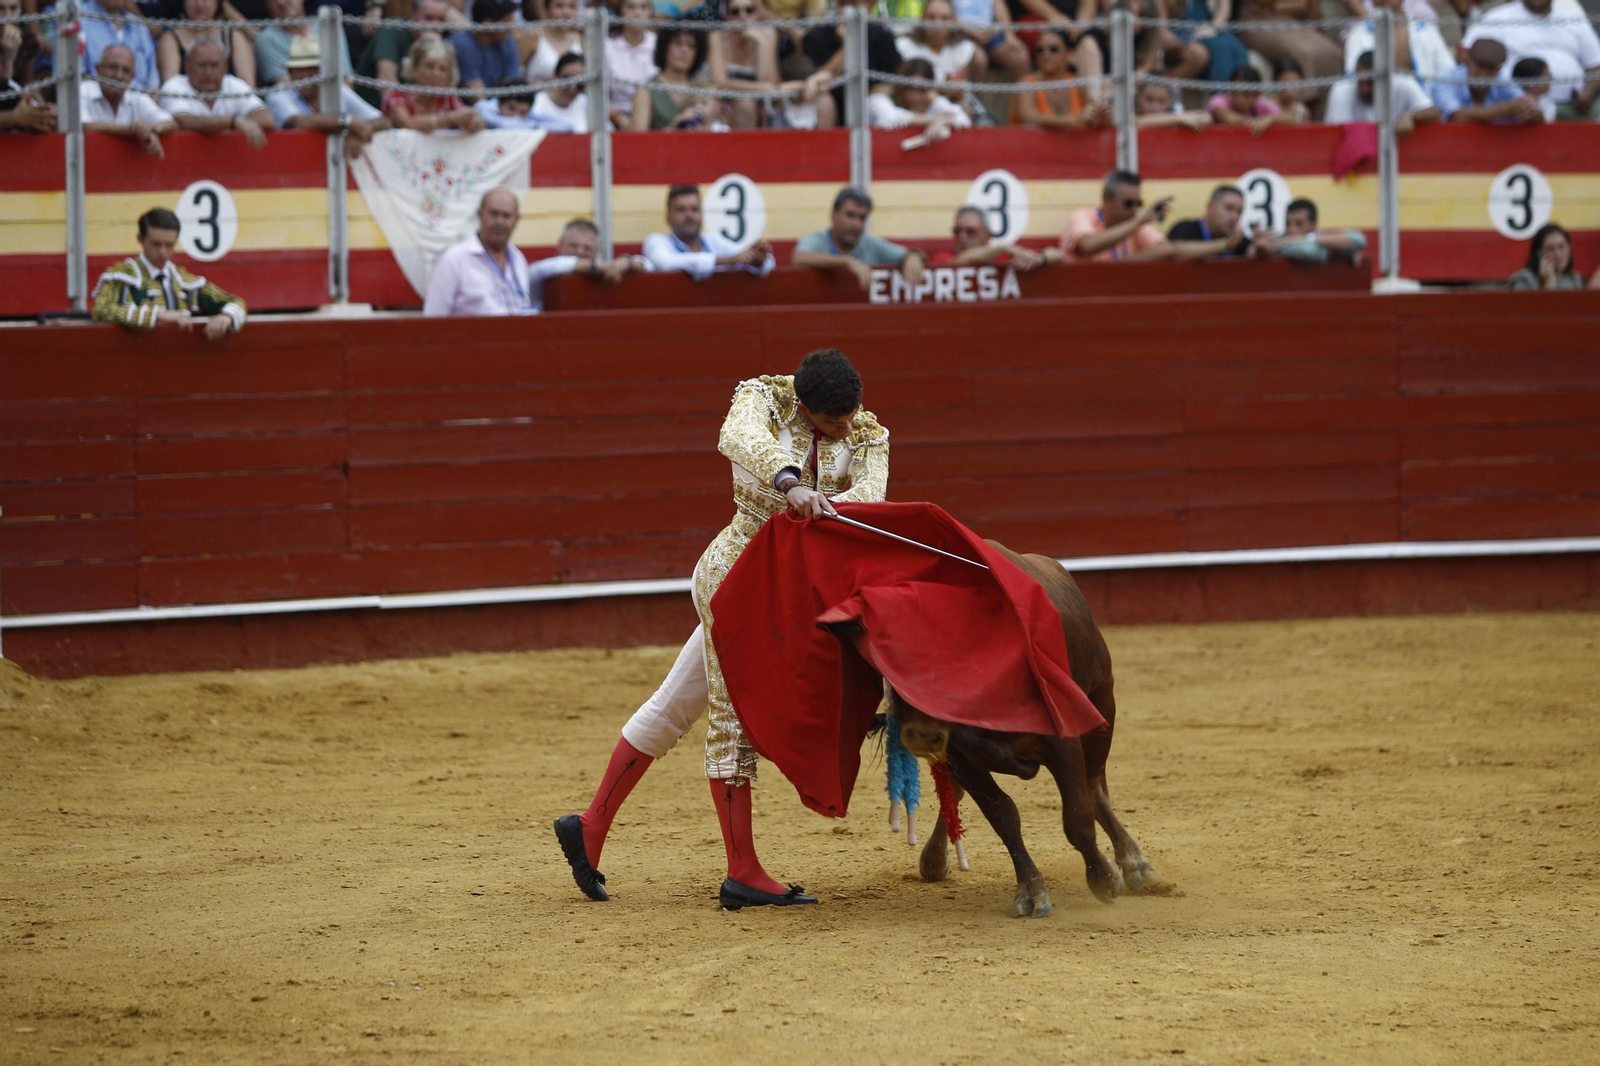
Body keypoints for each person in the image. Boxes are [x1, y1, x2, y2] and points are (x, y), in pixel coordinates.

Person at [554, 347, 890, 910]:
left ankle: (590, 825)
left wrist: (831, 506)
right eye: (835, 420)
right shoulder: (762, 399)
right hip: (735, 578)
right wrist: (790, 483)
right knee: (732, 718)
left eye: (852, 413)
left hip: (797, 591)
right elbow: (739, 439)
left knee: (674, 706)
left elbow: (871, 493)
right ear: (807, 408)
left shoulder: (867, 431)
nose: (848, 427)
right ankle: (742, 871)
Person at [91, 206, 247, 337]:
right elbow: (101, 310)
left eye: (169, 245)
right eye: (156, 244)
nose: (163, 252)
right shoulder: (122, 277)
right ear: (140, 239)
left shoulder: (184, 281)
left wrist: (226, 317)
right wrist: (158, 315)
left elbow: (236, 302)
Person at [1463, 0, 1600, 121]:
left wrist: (1587, 94)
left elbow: (1596, 66)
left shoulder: (1573, 21)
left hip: (1571, 107)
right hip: (1514, 108)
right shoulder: (1497, 18)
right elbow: (1466, 55)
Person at [708, 0, 833, 129]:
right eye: (735, 12)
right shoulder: (717, 36)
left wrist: (763, 44)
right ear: (727, 16)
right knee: (746, 104)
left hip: (764, 103)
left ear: (757, 14)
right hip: (727, 101)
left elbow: (771, 85)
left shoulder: (767, 34)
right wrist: (759, 88)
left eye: (749, 10)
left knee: (824, 102)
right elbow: (721, 82)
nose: (743, 16)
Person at [265, 36, 387, 157]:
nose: (306, 75)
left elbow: (384, 121)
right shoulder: (279, 94)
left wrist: (358, 132)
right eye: (300, 69)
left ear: (323, 71)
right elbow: (298, 122)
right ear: (290, 72)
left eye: (312, 68)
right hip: (291, 160)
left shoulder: (338, 91)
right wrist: (346, 122)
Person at [423, 187, 533, 316]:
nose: (499, 222)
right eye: (493, 214)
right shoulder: (454, 260)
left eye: (506, 216)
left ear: (516, 220)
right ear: (480, 215)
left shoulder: (518, 259)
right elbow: (433, 318)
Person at [793, 186, 928, 291]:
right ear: (834, 215)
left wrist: (913, 258)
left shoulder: (869, 243)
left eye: (862, 218)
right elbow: (799, 258)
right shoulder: (818, 240)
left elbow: (910, 253)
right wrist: (847, 261)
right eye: (850, 215)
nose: (856, 224)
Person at [642, 184, 776, 279]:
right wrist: (729, 260)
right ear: (668, 218)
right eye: (681, 210)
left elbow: (768, 263)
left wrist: (756, 259)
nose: (689, 215)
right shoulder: (657, 241)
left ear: (701, 214)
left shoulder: (714, 241)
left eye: (694, 209)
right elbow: (666, 263)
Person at [162, 36, 275, 148]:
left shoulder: (234, 84)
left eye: (215, 65)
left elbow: (267, 119)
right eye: (201, 65)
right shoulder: (174, 86)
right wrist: (234, 122)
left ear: (225, 65)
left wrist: (238, 122)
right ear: (187, 65)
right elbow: (184, 121)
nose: (208, 72)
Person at [527, 217, 645, 311]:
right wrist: (592, 266)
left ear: (597, 251)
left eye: (587, 248)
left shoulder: (605, 269)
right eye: (573, 245)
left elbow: (647, 263)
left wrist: (625, 263)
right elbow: (538, 270)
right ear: (560, 244)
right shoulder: (544, 270)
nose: (580, 252)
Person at [81, 43, 177, 156]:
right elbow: (84, 125)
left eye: (126, 70)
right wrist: (134, 130)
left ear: (132, 76)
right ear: (98, 69)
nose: (119, 75)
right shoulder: (83, 90)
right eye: (113, 67)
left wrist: (152, 129)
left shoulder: (135, 94)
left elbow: (170, 123)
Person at [1060, 169, 1172, 263]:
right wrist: (1139, 221)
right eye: (1128, 203)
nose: (1134, 209)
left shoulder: (1133, 223)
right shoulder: (1081, 215)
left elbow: (1166, 249)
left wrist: (1121, 264)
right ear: (1107, 199)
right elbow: (1088, 245)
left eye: (1138, 204)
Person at [354, 0, 450, 108]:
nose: (436, 26)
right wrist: (403, 115)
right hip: (373, 108)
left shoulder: (444, 38)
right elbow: (387, 83)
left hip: (421, 111)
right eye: (429, 18)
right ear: (412, 12)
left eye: (441, 19)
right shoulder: (392, 29)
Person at [1234, 0, 1342, 93]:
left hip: (1284, 19)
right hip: (1255, 22)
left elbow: (1302, 5)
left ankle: (1327, 106)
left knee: (1332, 52)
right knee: (1305, 54)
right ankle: (1304, 103)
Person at [382, 38, 485, 131]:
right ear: (415, 68)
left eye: (443, 69)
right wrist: (450, 118)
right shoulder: (398, 94)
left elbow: (478, 123)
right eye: (430, 66)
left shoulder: (448, 97)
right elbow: (407, 123)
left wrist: (474, 123)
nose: (436, 74)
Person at [1324, 50, 1441, 132]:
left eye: (1371, 83)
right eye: (1361, 82)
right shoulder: (1342, 89)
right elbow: (1336, 133)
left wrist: (1411, 117)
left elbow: (1434, 113)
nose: (1365, 89)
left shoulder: (1403, 82)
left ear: (1386, 79)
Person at [631, 26, 722, 131]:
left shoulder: (704, 85)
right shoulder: (645, 90)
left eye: (691, 46)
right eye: (678, 44)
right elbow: (638, 138)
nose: (684, 50)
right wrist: (674, 128)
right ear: (664, 47)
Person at [1342, 0, 1454, 85]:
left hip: (1426, 105)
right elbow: (1352, 81)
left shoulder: (1426, 31)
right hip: (1375, 106)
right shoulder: (1358, 36)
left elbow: (1449, 75)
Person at [1010, 27, 1098, 130]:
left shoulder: (1078, 84)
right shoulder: (1026, 83)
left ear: (1069, 53)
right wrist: (1075, 119)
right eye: (1040, 50)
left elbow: (1092, 114)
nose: (1046, 55)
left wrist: (1100, 115)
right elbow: (1029, 118)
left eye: (1053, 49)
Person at [1432, 39, 1538, 124]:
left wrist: (1530, 111)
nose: (1483, 74)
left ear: (1498, 70)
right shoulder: (1446, 80)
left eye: (1490, 69)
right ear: (1468, 61)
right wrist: (1508, 109)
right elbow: (1456, 116)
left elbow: (1532, 111)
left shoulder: (1502, 81)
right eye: (1479, 66)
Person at [159, 0, 256, 88]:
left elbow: (248, 86)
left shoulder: (234, 36)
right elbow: (170, 86)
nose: (199, 4)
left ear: (218, 2)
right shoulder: (170, 38)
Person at [1153, 0, 1250, 84]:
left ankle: (1244, 92)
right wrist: (1164, 32)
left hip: (1207, 29)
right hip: (1180, 33)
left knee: (1236, 47)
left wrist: (1212, 28)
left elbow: (1224, 10)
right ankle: (1221, 96)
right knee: (1219, 47)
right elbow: (1162, 25)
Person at [940, 204, 1062, 270]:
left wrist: (1039, 259)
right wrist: (1003, 248)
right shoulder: (943, 257)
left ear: (988, 234)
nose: (962, 237)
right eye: (957, 231)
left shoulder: (1002, 257)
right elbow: (960, 261)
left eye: (970, 231)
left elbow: (1057, 254)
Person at [1252, 198, 1367, 265]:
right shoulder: (1281, 241)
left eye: (1299, 224)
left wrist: (1307, 238)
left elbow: (1359, 239)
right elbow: (1308, 252)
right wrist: (1337, 249)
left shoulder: (1316, 237)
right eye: (1287, 223)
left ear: (1314, 225)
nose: (1291, 229)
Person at [869, 58, 972, 131]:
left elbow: (964, 121)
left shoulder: (932, 100)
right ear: (900, 86)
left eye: (922, 90)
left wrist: (936, 101)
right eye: (910, 88)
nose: (915, 96)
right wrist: (934, 120)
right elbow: (888, 120)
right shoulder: (880, 98)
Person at [80, 0, 160, 90]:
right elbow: (77, 79)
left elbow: (153, 83)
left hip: (139, 95)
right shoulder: (80, 20)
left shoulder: (138, 26)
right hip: (95, 95)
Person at [603, 0, 656, 130]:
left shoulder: (659, 44)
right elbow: (597, 93)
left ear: (650, 12)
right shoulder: (606, 46)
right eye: (631, 7)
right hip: (614, 119)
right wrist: (618, 117)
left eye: (643, 7)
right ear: (621, 12)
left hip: (655, 117)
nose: (637, 13)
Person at [450, 0, 520, 96]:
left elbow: (512, 87)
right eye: (507, 22)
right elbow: (478, 97)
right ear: (488, 23)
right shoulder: (462, 44)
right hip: (468, 103)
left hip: (496, 102)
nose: (512, 27)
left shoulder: (507, 40)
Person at [1167, 184, 1250, 258]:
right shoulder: (1184, 229)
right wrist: (1223, 245)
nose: (1235, 217)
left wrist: (1257, 246)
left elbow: (1251, 250)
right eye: (1229, 208)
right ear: (1210, 206)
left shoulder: (1237, 240)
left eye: (1239, 212)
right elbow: (1174, 250)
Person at [1208, 65, 1294, 135]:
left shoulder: (1261, 103)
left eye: (1246, 94)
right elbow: (1228, 118)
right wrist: (1256, 122)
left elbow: (1291, 119)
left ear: (1257, 94)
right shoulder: (1219, 100)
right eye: (1235, 92)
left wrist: (1270, 119)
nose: (1239, 98)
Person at [1508, 223, 1585, 289]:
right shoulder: (1524, 279)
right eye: (1550, 249)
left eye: (1561, 247)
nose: (1558, 255)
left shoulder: (1574, 280)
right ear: (1538, 254)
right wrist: (1548, 284)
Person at [522, 0, 581, 81]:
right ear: (547, 9)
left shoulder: (579, 38)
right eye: (559, 6)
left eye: (572, 6)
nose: (566, 12)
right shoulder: (533, 36)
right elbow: (515, 75)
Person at [531, 53, 589, 130]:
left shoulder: (587, 104)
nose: (572, 89)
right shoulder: (536, 104)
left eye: (580, 84)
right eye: (567, 80)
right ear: (555, 77)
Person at [1134, 79, 1211, 129]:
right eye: (1149, 99)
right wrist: (1178, 119)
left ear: (1168, 101)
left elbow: (1205, 116)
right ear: (1138, 97)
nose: (1155, 106)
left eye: (1161, 101)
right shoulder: (1131, 117)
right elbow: (1136, 122)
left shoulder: (1172, 114)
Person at [1513, 57, 1558, 123]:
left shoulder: (1548, 105)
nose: (1550, 80)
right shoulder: (1511, 102)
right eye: (1547, 76)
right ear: (1533, 81)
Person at [1272, 56, 1313, 123]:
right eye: (1285, 84)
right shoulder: (1268, 107)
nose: (1290, 89)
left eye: (1294, 84)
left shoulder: (1303, 112)